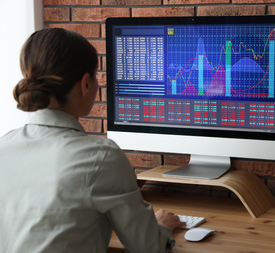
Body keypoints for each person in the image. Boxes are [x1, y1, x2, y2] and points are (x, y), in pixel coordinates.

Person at [0, 28, 185, 253]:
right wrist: (160, 227)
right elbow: (148, 247)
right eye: (96, 77)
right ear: (85, 83)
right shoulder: (100, 157)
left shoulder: (4, 146)